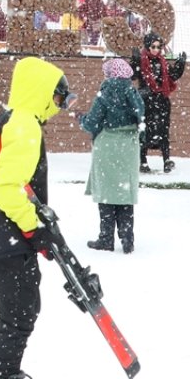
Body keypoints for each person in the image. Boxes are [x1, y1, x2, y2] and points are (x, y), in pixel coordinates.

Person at [0, 56, 73, 379]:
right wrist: (34, 227)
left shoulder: (6, 120)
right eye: (58, 97)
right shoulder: (25, 125)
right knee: (21, 314)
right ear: (40, 91)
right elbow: (7, 189)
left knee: (16, 311)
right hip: (10, 235)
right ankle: (3, 372)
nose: (59, 106)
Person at [78, 58, 145, 253]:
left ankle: (106, 238)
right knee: (125, 194)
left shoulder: (105, 93)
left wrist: (81, 119)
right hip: (129, 148)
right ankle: (127, 239)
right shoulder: (133, 93)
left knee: (107, 194)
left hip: (107, 146)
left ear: (109, 74)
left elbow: (91, 123)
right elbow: (141, 119)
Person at [130, 32, 187, 174]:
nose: (156, 49)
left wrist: (180, 64)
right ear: (147, 46)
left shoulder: (163, 62)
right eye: (153, 46)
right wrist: (135, 61)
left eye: (158, 47)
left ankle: (166, 160)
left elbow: (173, 76)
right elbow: (133, 75)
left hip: (161, 100)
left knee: (163, 129)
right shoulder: (143, 60)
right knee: (143, 130)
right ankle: (143, 162)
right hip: (146, 100)